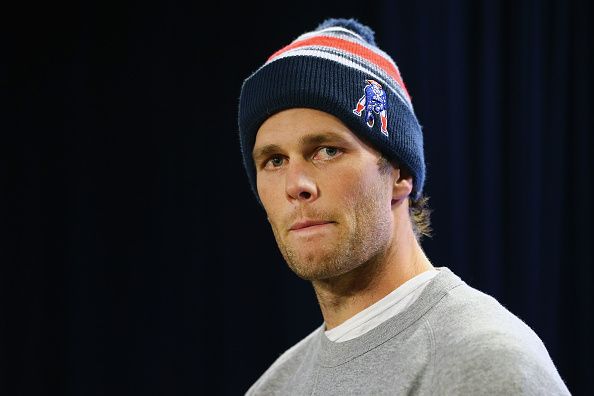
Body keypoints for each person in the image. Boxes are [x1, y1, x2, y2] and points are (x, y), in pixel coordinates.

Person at [237, 18, 571, 395]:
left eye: (327, 150)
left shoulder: (484, 362)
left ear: (399, 174)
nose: (295, 184)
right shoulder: (274, 387)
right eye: (274, 161)